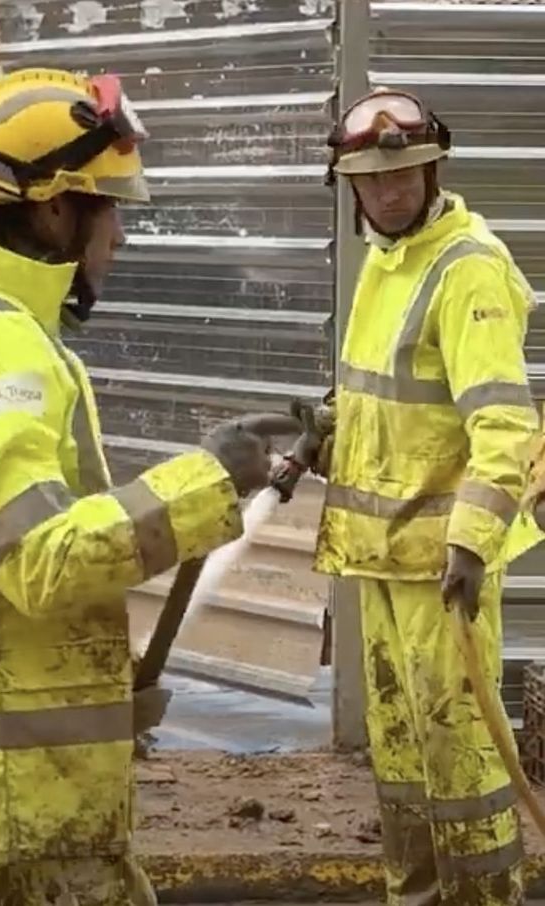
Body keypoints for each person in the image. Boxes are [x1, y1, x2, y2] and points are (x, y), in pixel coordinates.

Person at [0, 68, 302, 905]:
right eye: (110, 207)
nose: (120, 238)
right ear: (54, 209)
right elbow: (38, 561)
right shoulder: (0, 350)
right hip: (17, 802)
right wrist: (209, 480)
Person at [315, 87, 539, 905]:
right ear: (349, 186)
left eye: (405, 173)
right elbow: (387, 396)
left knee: (463, 759)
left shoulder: (466, 267)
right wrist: (325, 431)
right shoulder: (387, 261)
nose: (390, 190)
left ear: (434, 167)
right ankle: (416, 895)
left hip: (444, 567)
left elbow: (504, 426)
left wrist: (473, 543)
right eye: (373, 180)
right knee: (406, 757)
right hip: (384, 557)